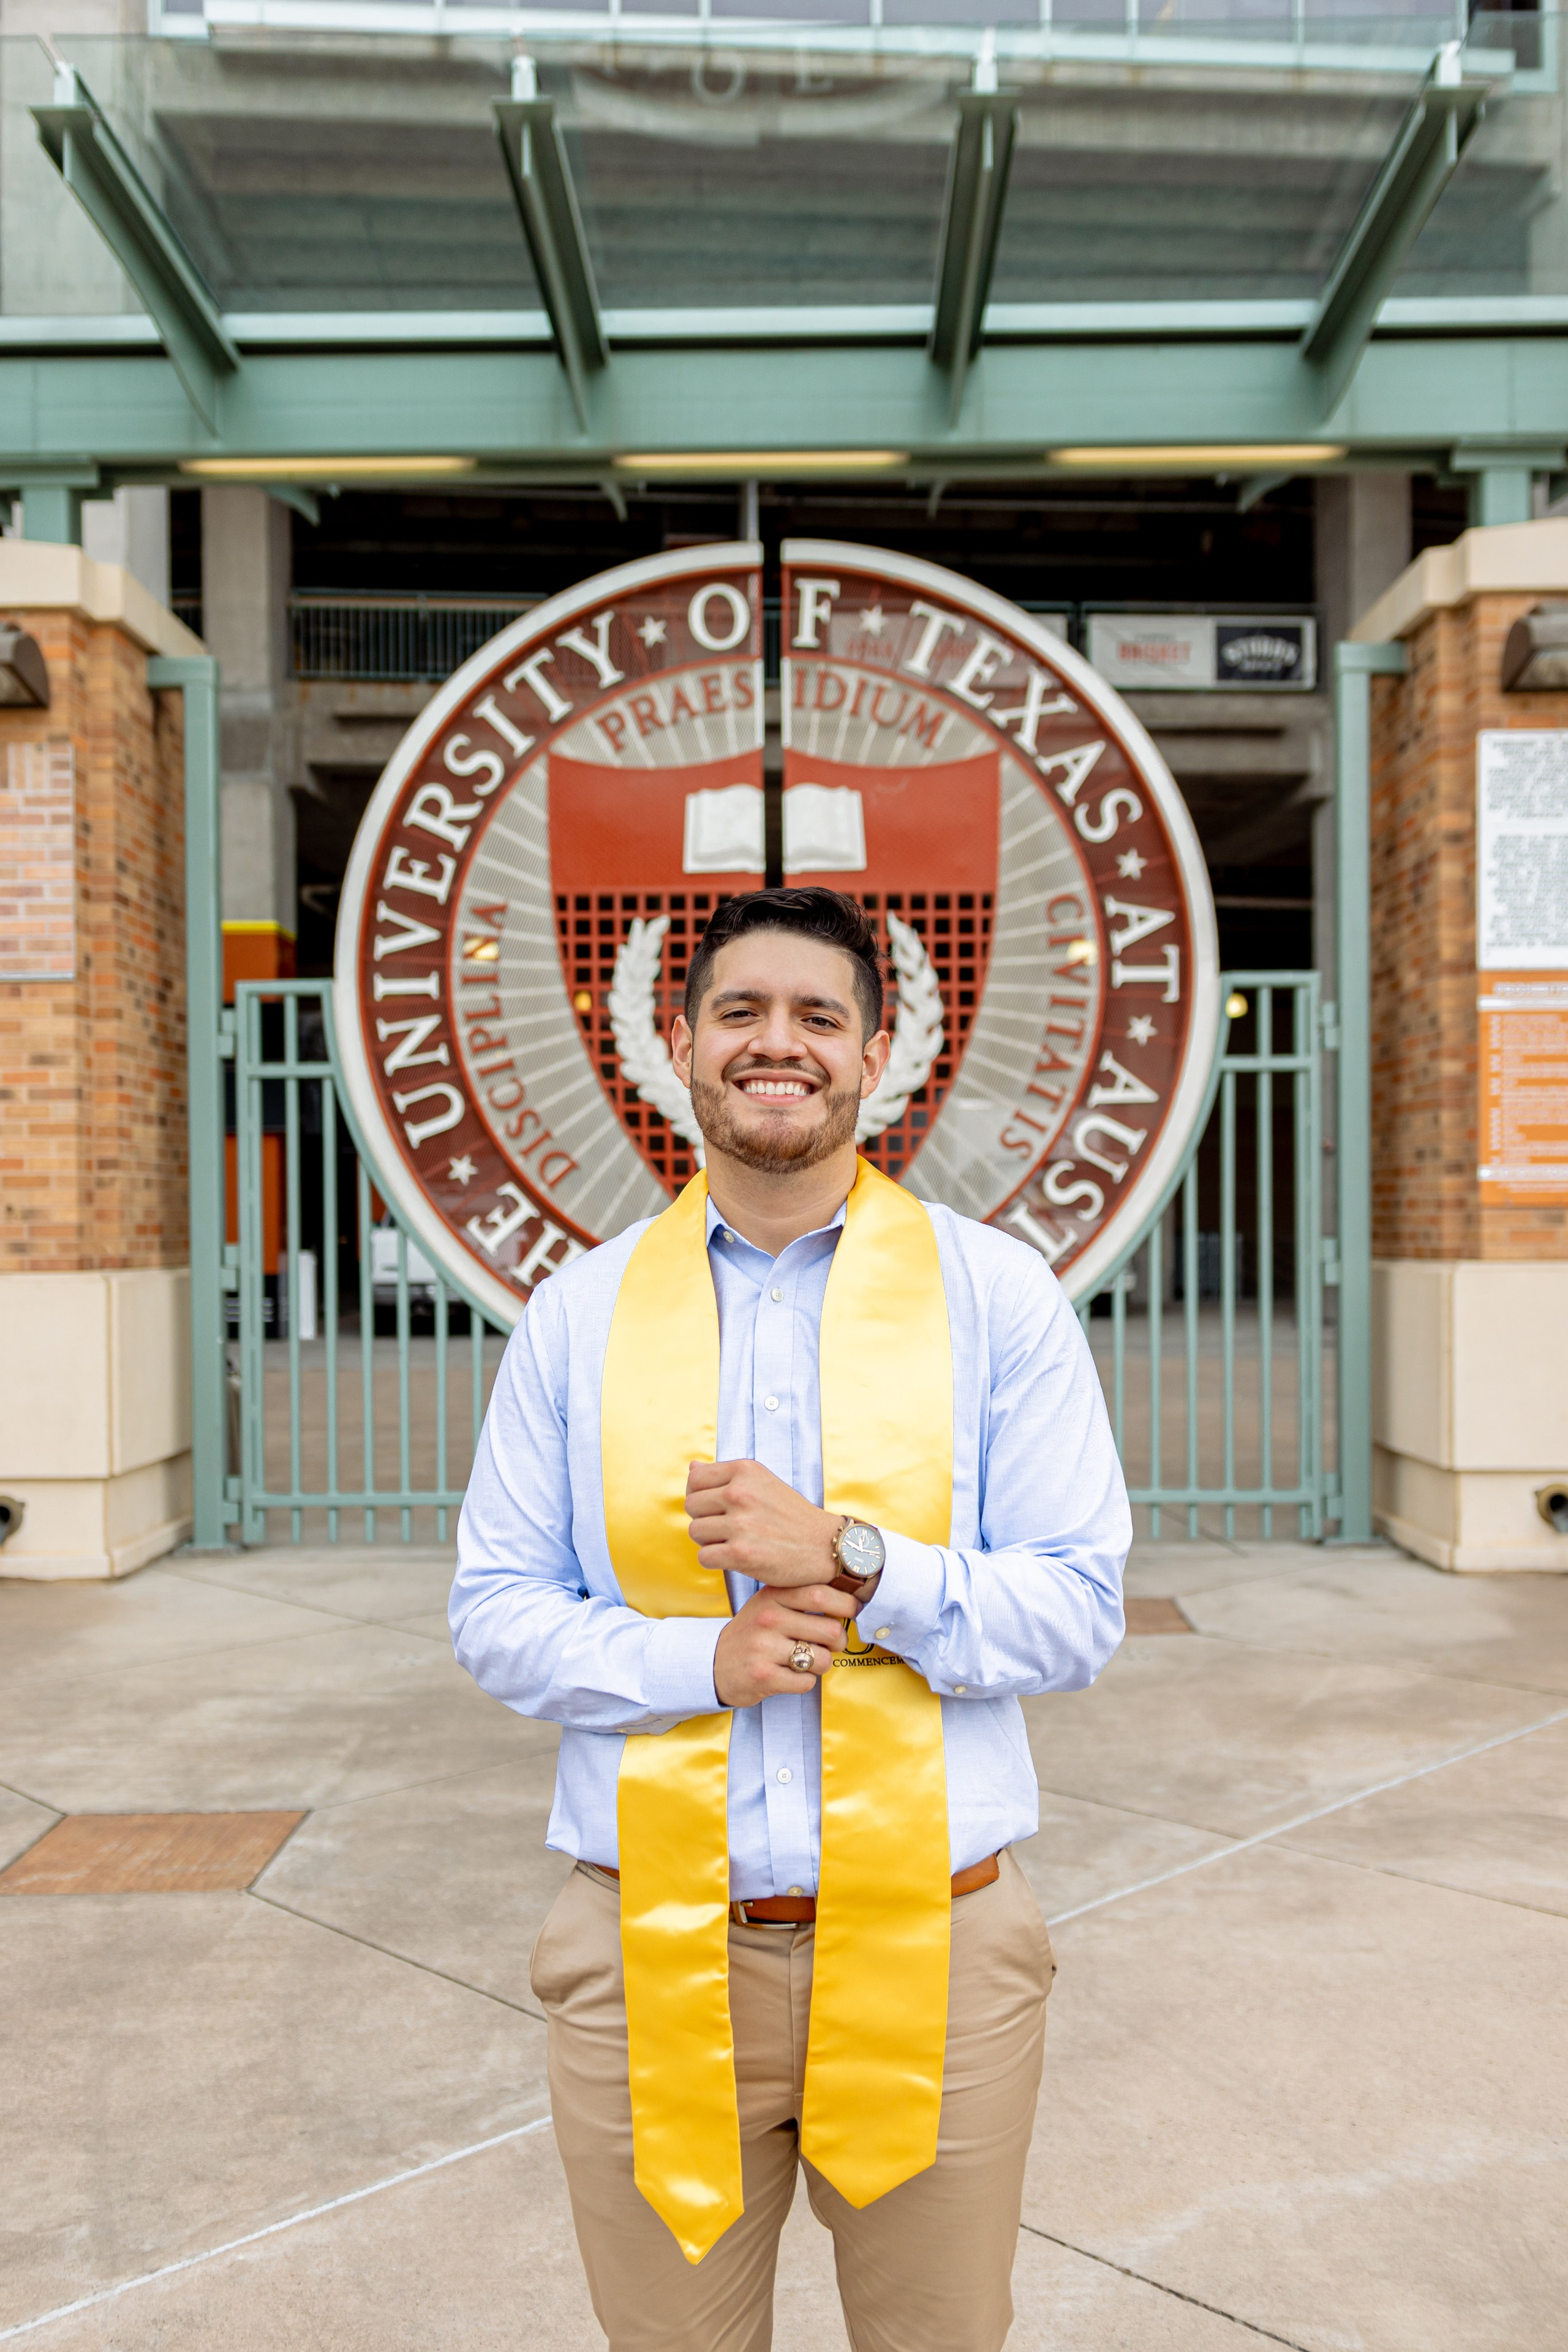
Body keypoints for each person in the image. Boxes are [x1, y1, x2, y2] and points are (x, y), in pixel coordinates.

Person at [451, 885, 1131, 2352]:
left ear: (874, 1053)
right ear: (677, 1043)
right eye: (740, 1013)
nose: (779, 1044)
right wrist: (699, 1659)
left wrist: (856, 1558)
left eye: (818, 1016)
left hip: (940, 1957)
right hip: (648, 1951)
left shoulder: (995, 1298)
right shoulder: (577, 1314)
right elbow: (495, 1612)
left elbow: (1077, 1610)